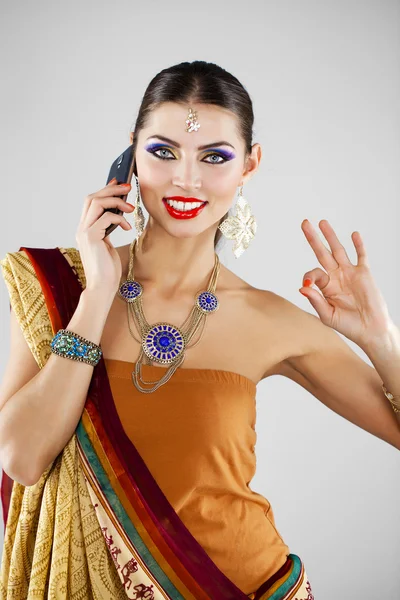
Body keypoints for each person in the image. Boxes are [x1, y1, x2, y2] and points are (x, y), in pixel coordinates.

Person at [0, 60, 399, 600]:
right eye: (163, 151)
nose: (186, 178)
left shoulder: (269, 319)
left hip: (242, 586)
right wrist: (98, 294)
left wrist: (380, 338)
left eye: (215, 157)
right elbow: (20, 458)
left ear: (250, 166)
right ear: (130, 155)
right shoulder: (61, 290)